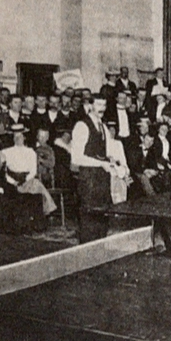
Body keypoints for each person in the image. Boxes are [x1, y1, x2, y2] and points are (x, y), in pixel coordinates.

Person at [71, 96, 113, 242]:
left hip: (102, 179)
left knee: (102, 220)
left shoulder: (103, 126)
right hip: (88, 179)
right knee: (89, 222)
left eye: (104, 104)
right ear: (89, 106)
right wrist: (100, 164)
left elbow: (107, 153)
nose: (102, 108)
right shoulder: (81, 126)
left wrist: (114, 162)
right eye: (99, 104)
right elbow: (76, 158)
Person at [2, 124, 57, 216]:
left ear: (24, 137)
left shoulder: (30, 152)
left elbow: (33, 171)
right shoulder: (6, 152)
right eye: (15, 136)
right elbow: (3, 172)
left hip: (27, 179)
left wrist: (25, 179)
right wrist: (13, 182)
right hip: (11, 181)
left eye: (20, 136)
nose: (18, 139)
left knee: (35, 184)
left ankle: (42, 214)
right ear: (12, 138)